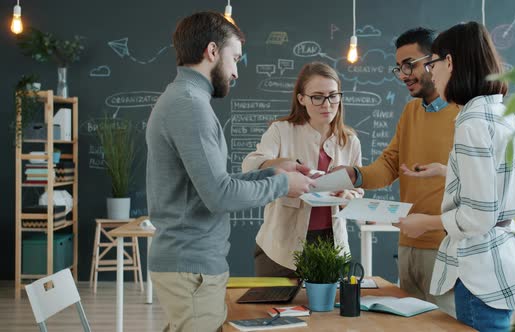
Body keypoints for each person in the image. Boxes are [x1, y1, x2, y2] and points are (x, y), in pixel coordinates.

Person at [145, 12, 314, 332]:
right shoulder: (190, 105)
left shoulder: (185, 99)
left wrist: (273, 173)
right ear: (212, 51)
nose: (236, 71)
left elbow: (211, 185)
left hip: (188, 264)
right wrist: (282, 186)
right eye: (234, 58)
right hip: (191, 266)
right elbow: (219, 196)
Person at [398, 21, 515, 331]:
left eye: (432, 64)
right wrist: (449, 172)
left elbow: (479, 216)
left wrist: (424, 223)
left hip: (477, 272)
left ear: (450, 62)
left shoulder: (470, 122)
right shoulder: (502, 114)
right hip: (502, 264)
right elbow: (499, 188)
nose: (431, 73)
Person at [334, 28, 458, 316]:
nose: (403, 75)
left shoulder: (465, 113)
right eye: (399, 68)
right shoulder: (411, 112)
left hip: (446, 245)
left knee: (447, 324)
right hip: (407, 244)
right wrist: (356, 174)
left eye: (409, 64)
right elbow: (391, 164)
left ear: (435, 60)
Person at [242, 62, 364, 277]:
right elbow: (250, 165)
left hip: (332, 245)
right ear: (301, 99)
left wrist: (349, 196)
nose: (327, 104)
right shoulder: (281, 130)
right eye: (317, 97)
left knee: (329, 311)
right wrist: (283, 164)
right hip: (281, 246)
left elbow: (357, 190)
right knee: (274, 308)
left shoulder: (350, 140)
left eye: (333, 95)